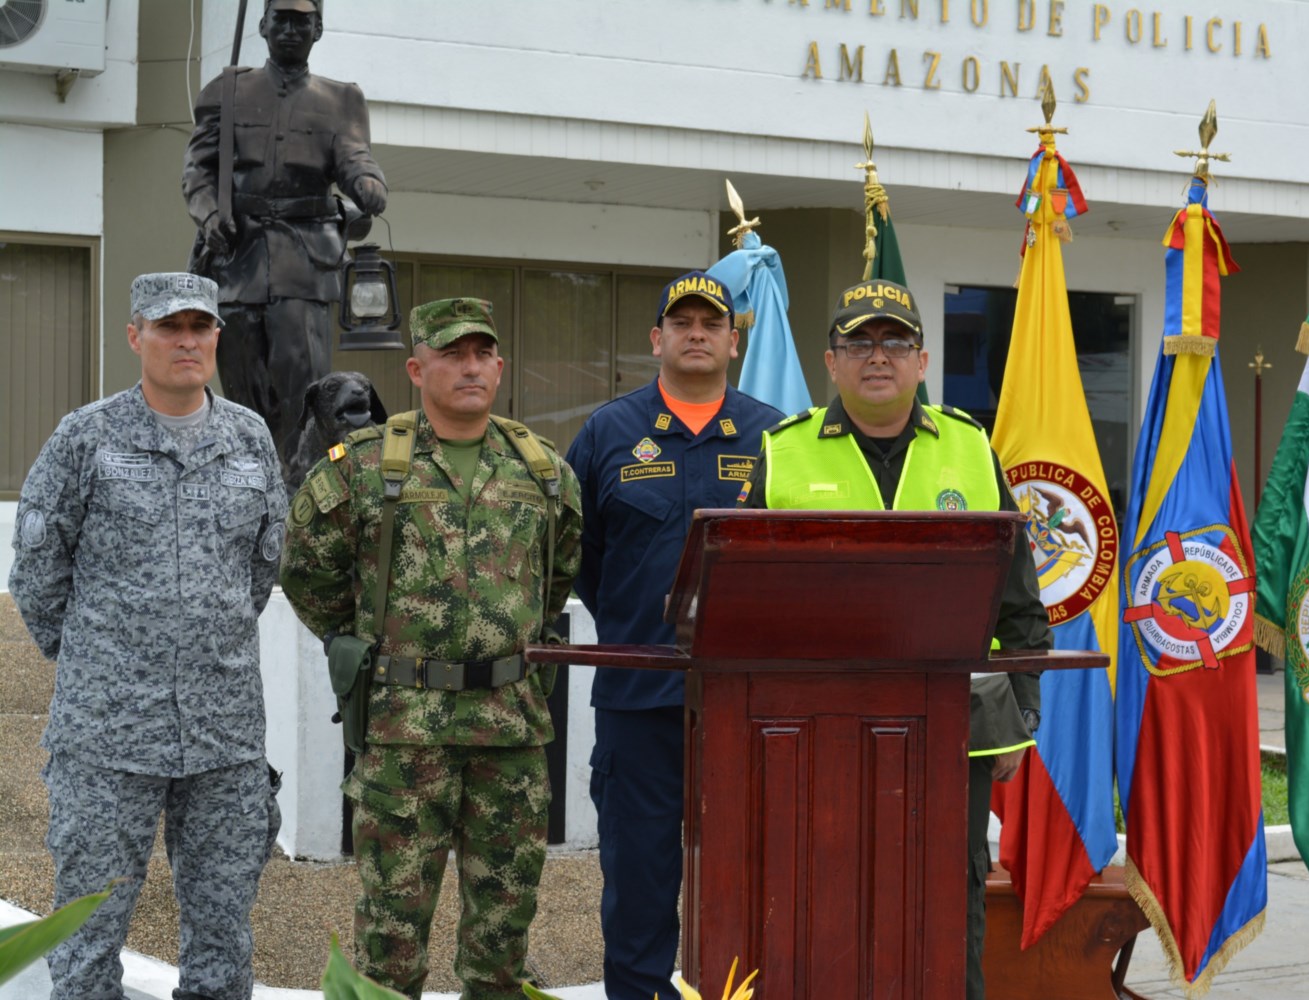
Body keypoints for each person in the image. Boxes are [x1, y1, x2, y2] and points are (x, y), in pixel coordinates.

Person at [738, 279, 1050, 1000]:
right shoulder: (782, 454)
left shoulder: (972, 449)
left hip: (955, 729)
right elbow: (743, 602)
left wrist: (1018, 722)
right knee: (821, 898)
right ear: (831, 361)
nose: (877, 357)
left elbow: (1018, 600)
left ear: (922, 359)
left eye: (895, 342)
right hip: (816, 731)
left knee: (948, 901)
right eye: (859, 343)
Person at [280, 297, 583, 1000]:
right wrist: (367, 650)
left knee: (502, 943)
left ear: (500, 367)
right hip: (403, 734)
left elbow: (557, 575)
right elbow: (307, 572)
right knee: (389, 942)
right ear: (417, 369)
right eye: (451, 354)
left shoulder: (543, 472)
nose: (469, 368)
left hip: (510, 731)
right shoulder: (362, 467)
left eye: (482, 354)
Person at [9, 272, 286, 1000]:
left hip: (223, 735)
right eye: (169, 327)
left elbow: (261, 566)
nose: (186, 341)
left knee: (224, 937)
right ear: (135, 336)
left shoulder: (249, 438)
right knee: (88, 933)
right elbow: (37, 566)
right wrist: (97, 662)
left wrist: (202, 645)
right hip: (106, 737)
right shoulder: (87, 437)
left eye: (200, 327)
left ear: (217, 337)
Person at [565, 270, 783, 1000]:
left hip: (746, 706)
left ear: (732, 341)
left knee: (750, 879)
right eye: (681, 322)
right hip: (638, 700)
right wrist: (638, 623)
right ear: (656, 339)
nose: (696, 333)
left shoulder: (774, 435)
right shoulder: (607, 432)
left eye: (711, 323)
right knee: (639, 883)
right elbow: (579, 557)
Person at [182, 0, 387, 468]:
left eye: (302, 21)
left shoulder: (341, 99)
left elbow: (354, 155)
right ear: (263, 25)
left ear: (318, 29)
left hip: (304, 262)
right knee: (241, 390)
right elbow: (198, 169)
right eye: (282, 19)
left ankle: (304, 485)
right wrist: (211, 215)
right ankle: (245, 478)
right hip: (238, 258)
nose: (291, 30)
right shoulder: (226, 90)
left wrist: (367, 184)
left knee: (304, 392)